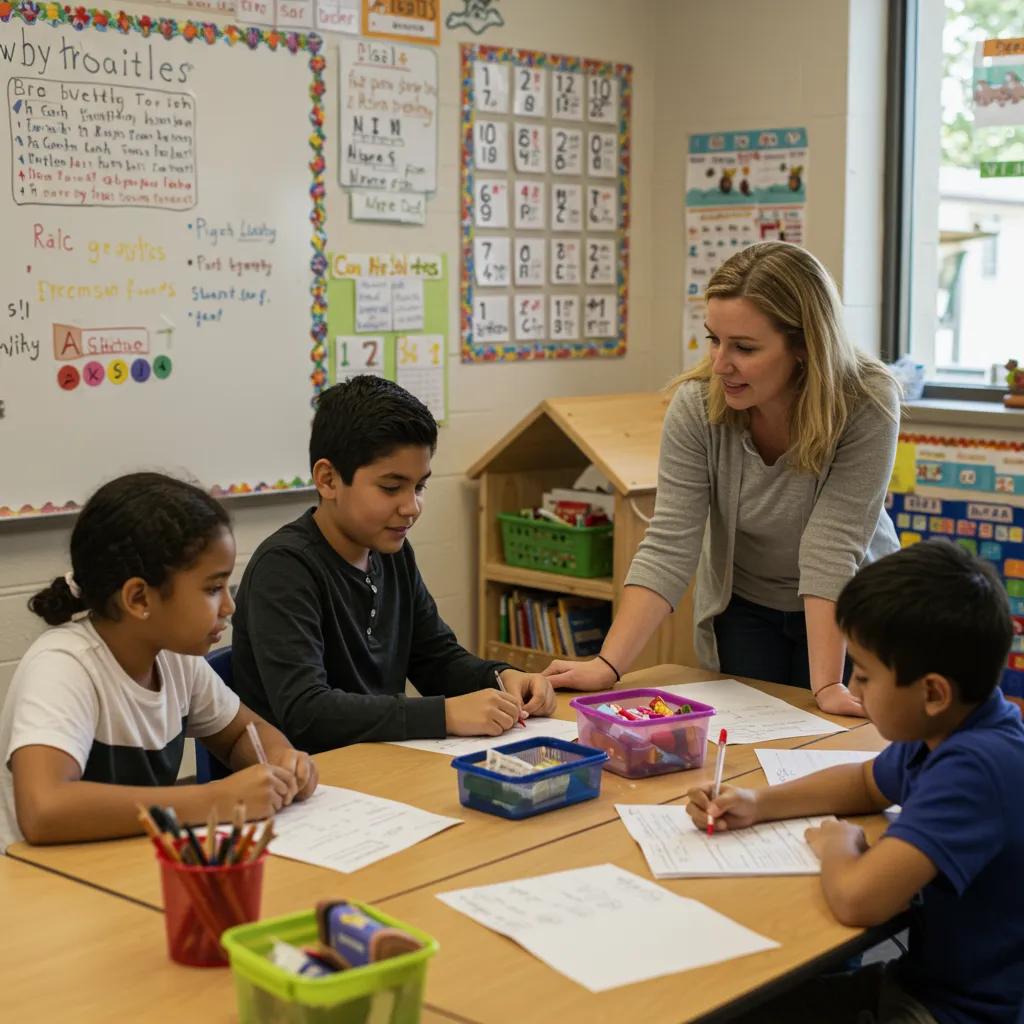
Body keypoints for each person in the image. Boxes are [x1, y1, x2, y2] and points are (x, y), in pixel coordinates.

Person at [546, 242, 899, 716]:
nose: (720, 364)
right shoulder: (697, 405)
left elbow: (832, 545)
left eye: (744, 348)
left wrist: (826, 687)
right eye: (714, 340)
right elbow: (671, 541)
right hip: (747, 605)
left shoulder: (866, 401)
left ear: (803, 346)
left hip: (851, 606)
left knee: (832, 738)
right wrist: (608, 665)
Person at [686, 540, 1024, 1024]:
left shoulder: (976, 769)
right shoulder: (949, 729)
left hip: (952, 1012)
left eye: (863, 675)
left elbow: (858, 900)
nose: (856, 688)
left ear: (932, 692)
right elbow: (866, 782)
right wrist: (759, 801)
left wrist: (839, 845)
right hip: (920, 983)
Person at [230, 376, 557, 753]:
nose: (412, 507)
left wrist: (501, 677)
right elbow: (307, 714)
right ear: (328, 479)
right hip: (303, 786)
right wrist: (444, 715)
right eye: (391, 487)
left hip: (378, 767)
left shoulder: (392, 552)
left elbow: (436, 658)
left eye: (419, 487)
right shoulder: (284, 568)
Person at [0, 473, 317, 853]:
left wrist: (283, 762)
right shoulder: (63, 667)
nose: (229, 606)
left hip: (127, 867)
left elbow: (240, 734)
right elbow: (44, 810)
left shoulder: (174, 658)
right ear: (139, 599)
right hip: (42, 892)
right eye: (213, 589)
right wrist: (216, 799)